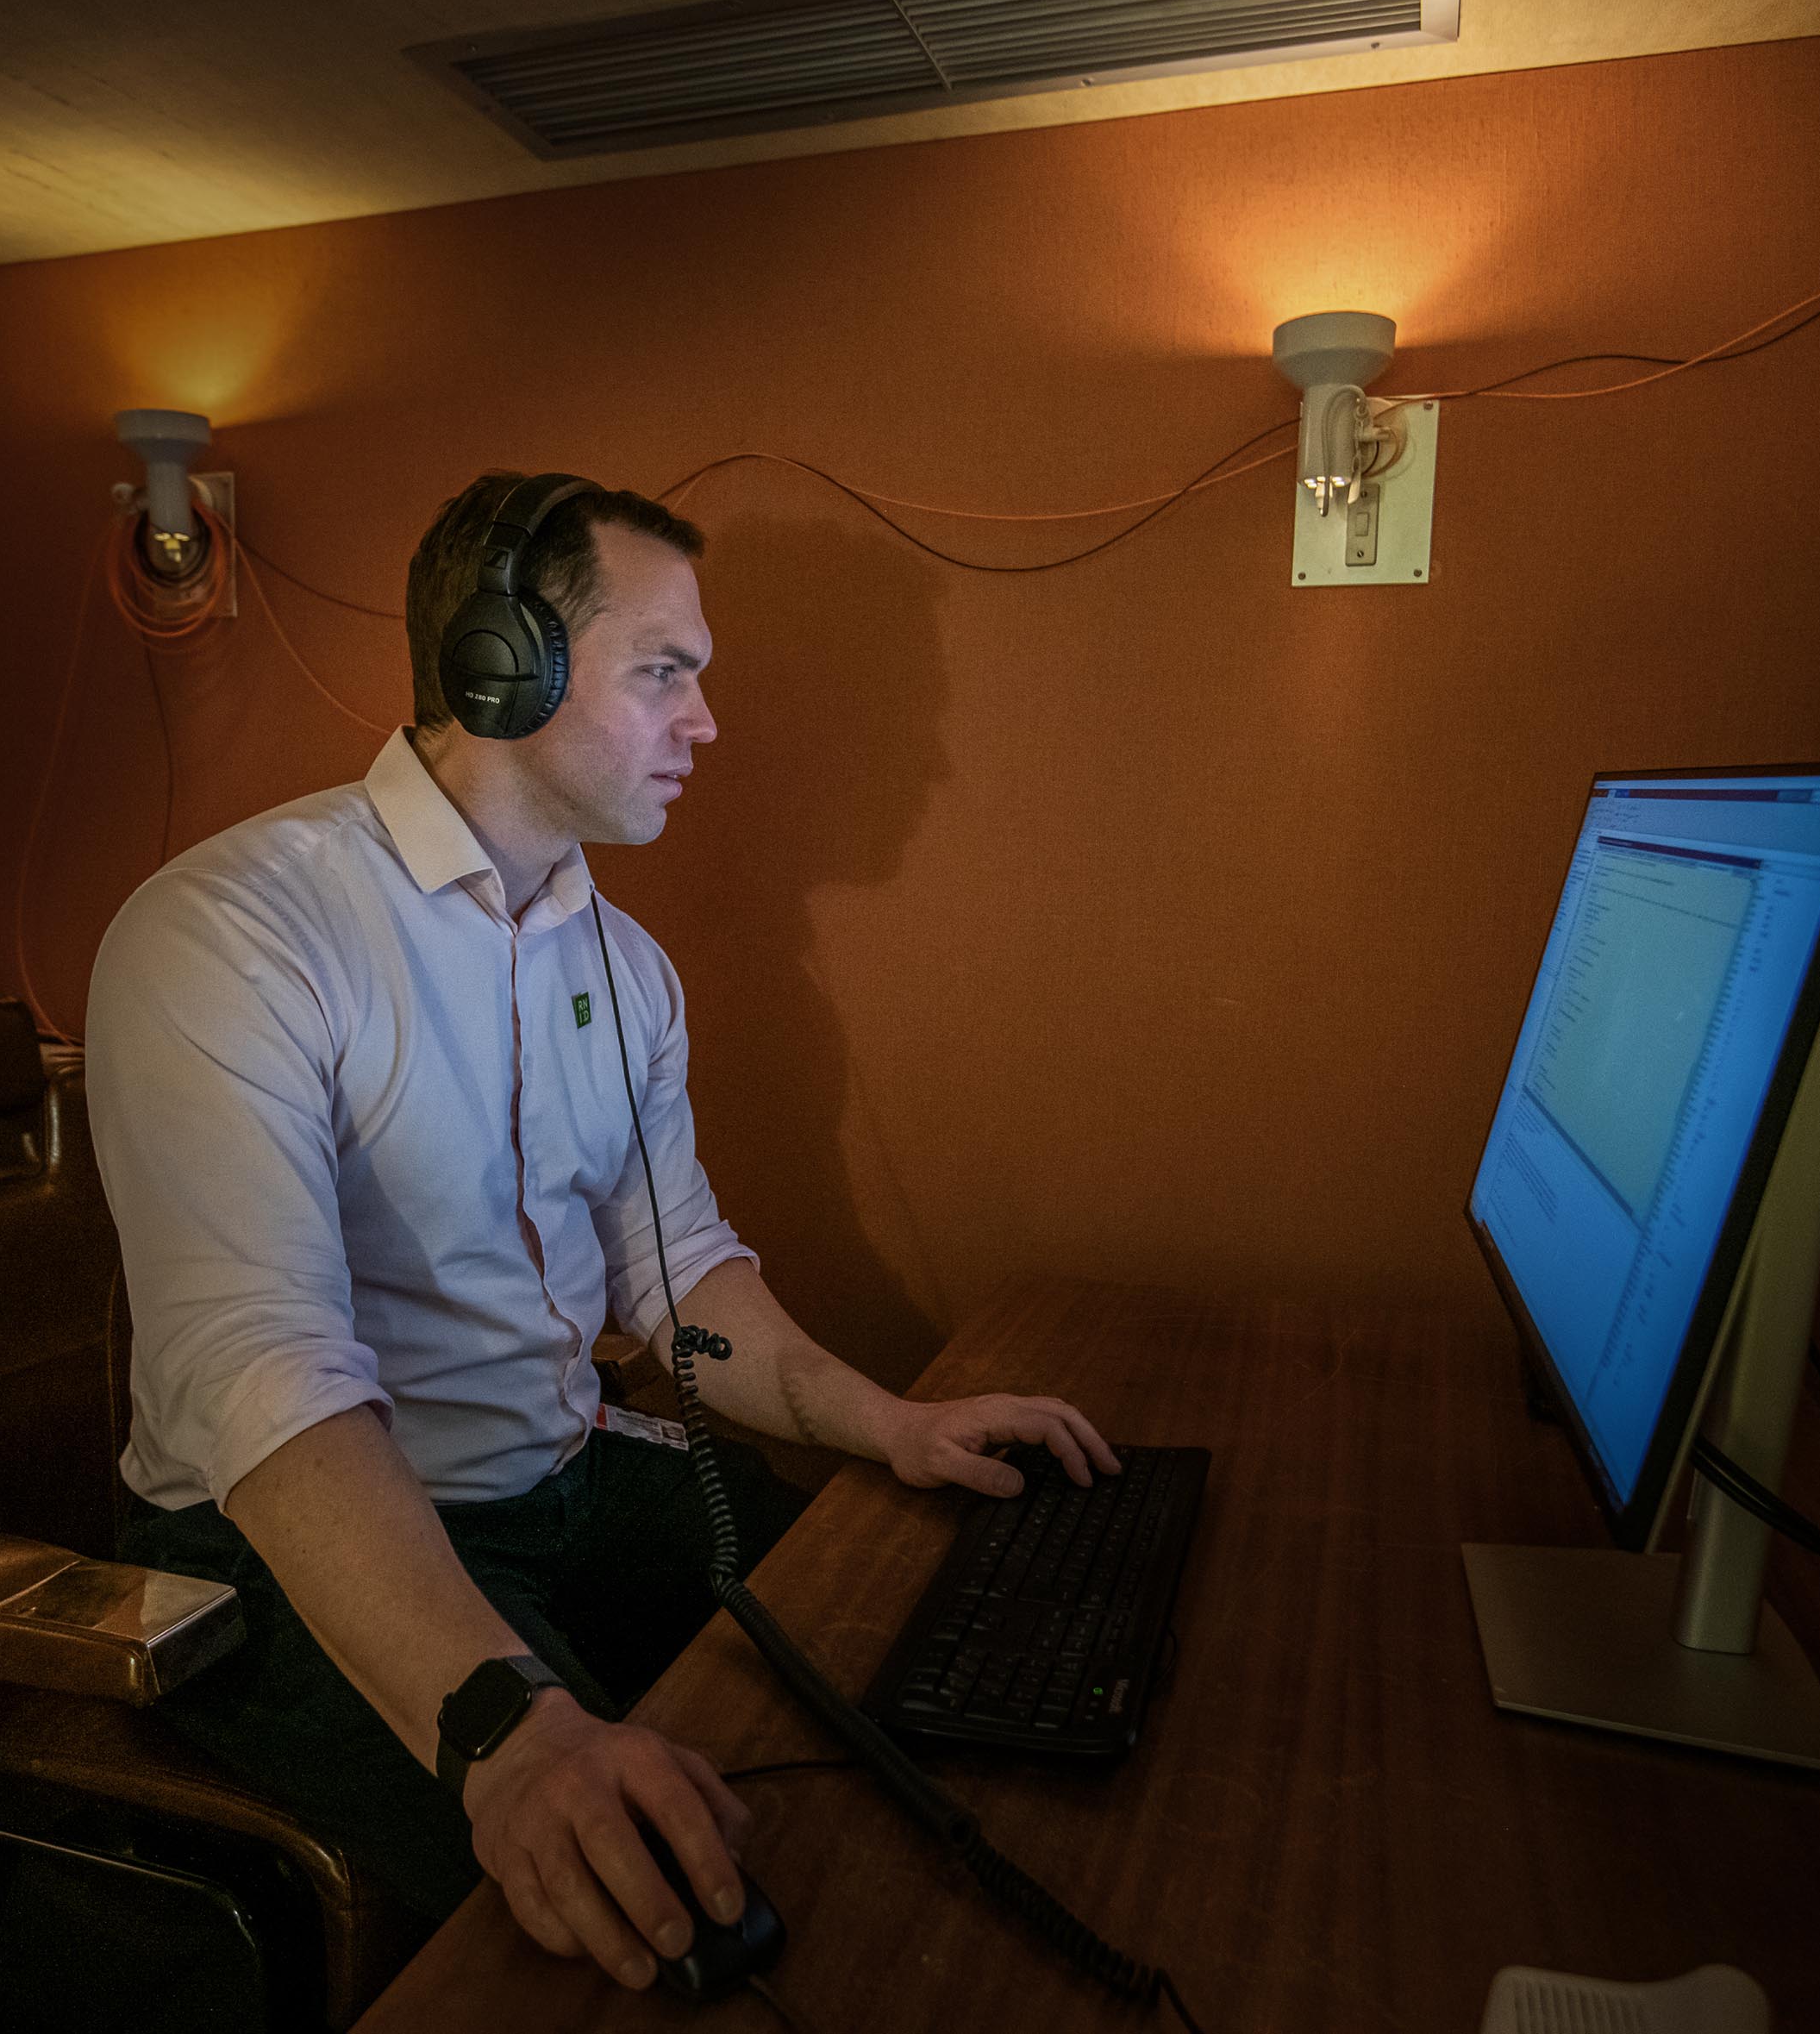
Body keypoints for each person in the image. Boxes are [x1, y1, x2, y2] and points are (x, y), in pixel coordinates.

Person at [84, 470, 1120, 1993]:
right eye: (664, 672)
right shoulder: (235, 930)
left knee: (912, 1658)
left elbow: (678, 1270)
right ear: (504, 667)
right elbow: (264, 1371)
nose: (705, 720)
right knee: (648, 1919)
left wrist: (882, 1422)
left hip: (568, 1488)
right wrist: (505, 1731)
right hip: (289, 1549)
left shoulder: (623, 967)